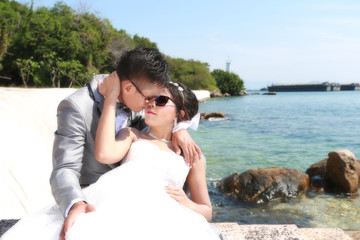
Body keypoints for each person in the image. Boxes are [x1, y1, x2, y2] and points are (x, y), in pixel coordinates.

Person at [0, 79, 221, 240]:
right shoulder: (133, 133)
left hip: (163, 218)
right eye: (151, 99)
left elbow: (207, 211)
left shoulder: (193, 156)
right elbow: (105, 154)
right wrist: (111, 99)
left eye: (161, 101)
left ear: (180, 114)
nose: (151, 104)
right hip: (116, 207)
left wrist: (186, 203)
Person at [49, 48, 202, 238]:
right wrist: (76, 203)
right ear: (128, 88)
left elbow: (158, 132)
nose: (150, 105)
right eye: (149, 98)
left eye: (156, 100)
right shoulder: (77, 107)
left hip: (145, 210)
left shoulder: (137, 100)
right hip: (95, 203)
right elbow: (64, 168)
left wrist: (180, 129)